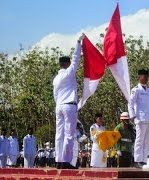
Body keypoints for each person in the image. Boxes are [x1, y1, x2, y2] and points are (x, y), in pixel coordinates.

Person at [53, 34, 85, 169]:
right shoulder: (68, 73)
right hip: (69, 106)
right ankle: (66, 161)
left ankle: (58, 160)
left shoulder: (56, 79)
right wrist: (78, 42)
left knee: (59, 134)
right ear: (66, 64)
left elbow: (55, 95)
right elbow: (76, 59)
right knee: (69, 134)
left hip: (59, 105)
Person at [128, 69, 149, 168]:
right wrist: (133, 117)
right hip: (141, 119)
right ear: (139, 77)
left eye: (147, 77)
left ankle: (144, 160)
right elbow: (130, 104)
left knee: (147, 141)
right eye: (144, 77)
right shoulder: (135, 90)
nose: (146, 79)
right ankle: (137, 160)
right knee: (139, 140)